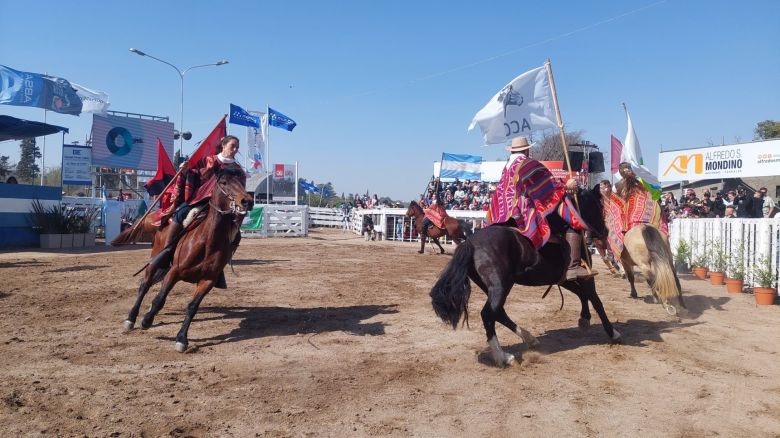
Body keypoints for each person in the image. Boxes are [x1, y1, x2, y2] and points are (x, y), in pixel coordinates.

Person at [488, 136, 590, 280]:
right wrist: (567, 186)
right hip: (521, 211)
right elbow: (547, 185)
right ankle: (573, 267)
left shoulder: (507, 166)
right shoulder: (528, 163)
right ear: (526, 150)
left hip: (501, 212)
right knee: (571, 223)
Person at [151, 136, 246, 285]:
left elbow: (240, 190)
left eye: (237, 147)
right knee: (181, 214)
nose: (235, 150)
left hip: (224, 207)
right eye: (232, 146)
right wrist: (185, 169)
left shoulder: (238, 170)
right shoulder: (209, 161)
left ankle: (218, 267)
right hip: (202, 200)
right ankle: (167, 252)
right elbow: (194, 173)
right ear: (223, 145)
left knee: (236, 236)